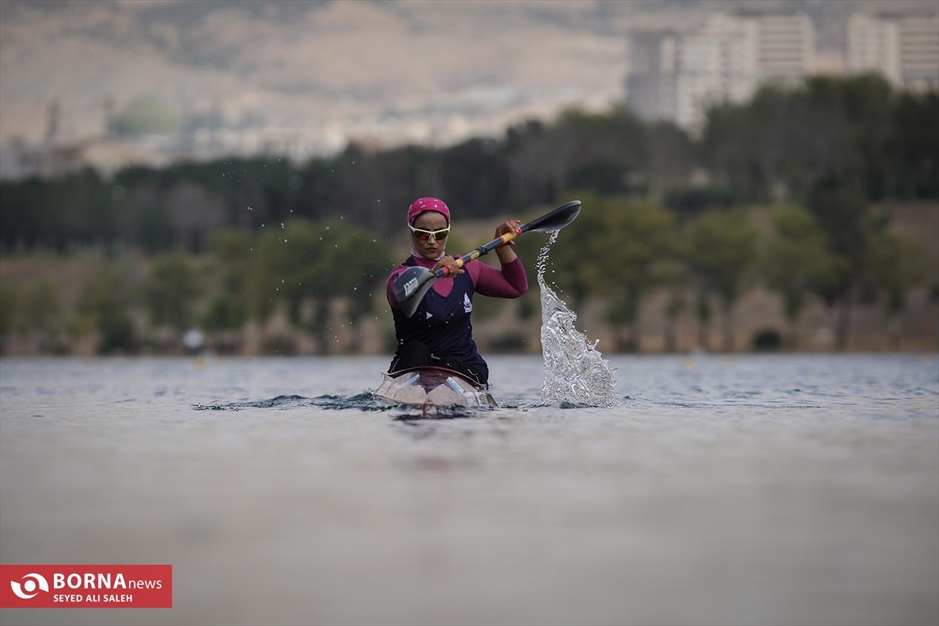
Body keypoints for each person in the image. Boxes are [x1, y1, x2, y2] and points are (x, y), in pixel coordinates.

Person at [386, 197, 528, 386]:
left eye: (440, 234)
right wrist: (434, 273)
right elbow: (399, 290)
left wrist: (501, 247)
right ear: (410, 233)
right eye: (422, 234)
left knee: (449, 363)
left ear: (448, 233)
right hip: (413, 365)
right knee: (415, 351)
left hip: (463, 366)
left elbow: (516, 287)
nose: (432, 241)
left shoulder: (469, 269)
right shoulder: (399, 277)